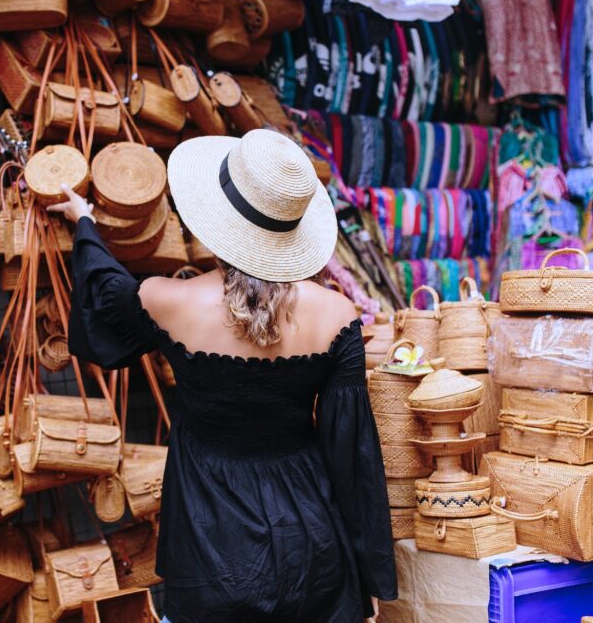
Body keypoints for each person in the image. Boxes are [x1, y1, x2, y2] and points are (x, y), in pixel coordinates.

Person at [50, 129, 397, 622]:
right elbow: (353, 454)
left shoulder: (169, 302)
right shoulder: (338, 315)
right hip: (311, 542)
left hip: (208, 536)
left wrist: (85, 224)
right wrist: (369, 574)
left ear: (217, 219)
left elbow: (106, 293)